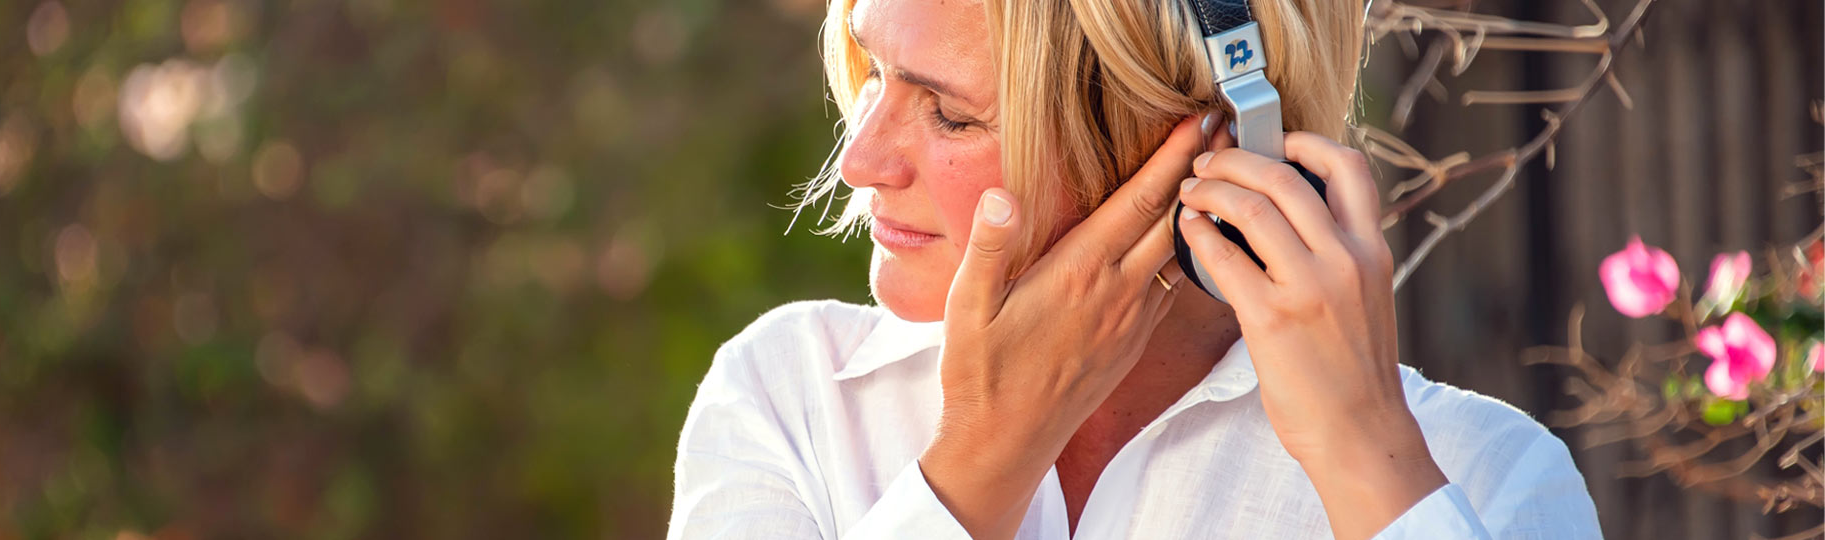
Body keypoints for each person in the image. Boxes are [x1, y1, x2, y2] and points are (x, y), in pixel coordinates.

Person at [668, 0, 1603, 538]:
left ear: (1187, 149)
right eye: (872, 74)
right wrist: (980, 460)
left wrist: (1365, 452)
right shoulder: (787, 400)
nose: (859, 160)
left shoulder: (1484, 481)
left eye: (949, 115)